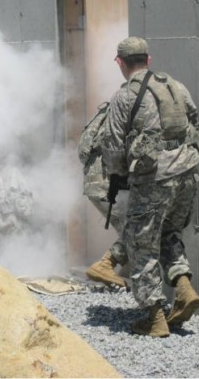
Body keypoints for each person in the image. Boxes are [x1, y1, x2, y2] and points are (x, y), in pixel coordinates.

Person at [101, 36, 199, 338]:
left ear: (120, 63)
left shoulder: (124, 96)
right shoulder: (175, 85)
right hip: (187, 171)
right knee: (169, 234)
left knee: (140, 242)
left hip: (154, 178)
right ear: (148, 60)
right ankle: (183, 288)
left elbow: (111, 144)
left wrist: (120, 175)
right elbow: (195, 121)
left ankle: (154, 317)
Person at [78, 102, 129, 288]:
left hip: (95, 183)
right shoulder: (123, 111)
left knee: (129, 228)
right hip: (106, 183)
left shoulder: (106, 111)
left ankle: (126, 274)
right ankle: (105, 266)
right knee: (137, 230)